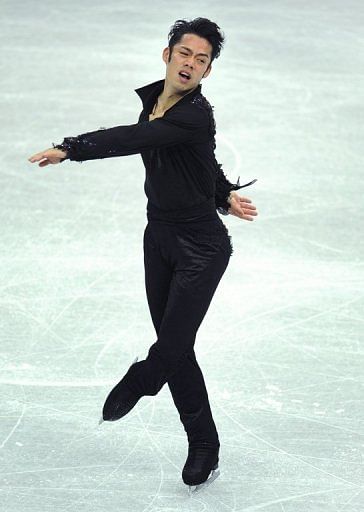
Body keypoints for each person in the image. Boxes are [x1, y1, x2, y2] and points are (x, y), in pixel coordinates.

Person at [28, 17, 258, 492]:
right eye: (185, 54)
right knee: (178, 348)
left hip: (202, 249)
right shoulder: (155, 103)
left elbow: (140, 141)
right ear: (167, 54)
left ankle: (144, 383)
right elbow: (199, 158)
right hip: (158, 240)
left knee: (169, 350)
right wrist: (222, 191)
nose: (191, 64)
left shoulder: (193, 113)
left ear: (209, 70)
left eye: (202, 60)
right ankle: (206, 443)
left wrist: (73, 148)